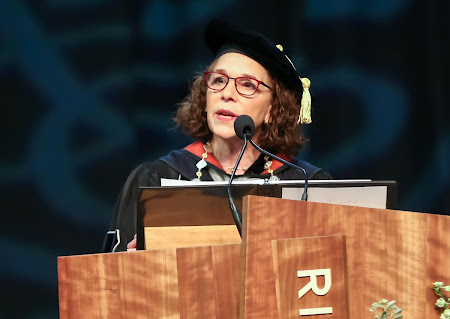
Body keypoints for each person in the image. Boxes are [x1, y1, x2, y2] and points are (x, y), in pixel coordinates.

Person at [104, 19, 331, 252]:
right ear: (205, 97)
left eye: (247, 85)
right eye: (219, 80)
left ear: (272, 110)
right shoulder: (158, 178)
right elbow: (110, 278)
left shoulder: (305, 184)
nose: (227, 94)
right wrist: (133, 262)